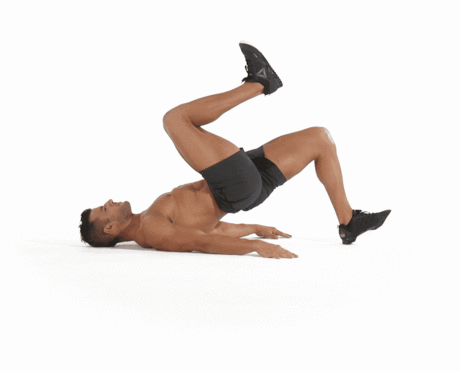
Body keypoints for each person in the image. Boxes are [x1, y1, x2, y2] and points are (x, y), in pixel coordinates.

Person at [79, 42, 391, 259]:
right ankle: (259, 83)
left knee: (320, 139)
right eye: (104, 210)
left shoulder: (150, 217)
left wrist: (254, 229)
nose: (109, 202)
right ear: (111, 227)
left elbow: (212, 227)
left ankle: (349, 222)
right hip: (234, 186)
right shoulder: (153, 230)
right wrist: (254, 247)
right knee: (175, 120)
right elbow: (201, 242)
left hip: (244, 190)